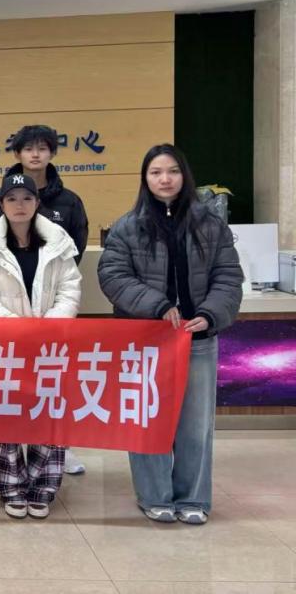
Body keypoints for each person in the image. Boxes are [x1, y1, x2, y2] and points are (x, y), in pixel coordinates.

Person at [98, 144, 242, 525]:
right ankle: (154, 496)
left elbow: (228, 276)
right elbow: (112, 276)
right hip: (146, 341)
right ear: (145, 179)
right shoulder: (128, 226)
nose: (165, 179)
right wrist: (158, 306)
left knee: (196, 425)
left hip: (197, 340)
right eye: (156, 172)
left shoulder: (211, 225)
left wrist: (210, 314)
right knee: (148, 419)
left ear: (184, 176)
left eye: (173, 171)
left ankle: (193, 498)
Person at [0, 173, 82, 519]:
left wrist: (48, 327)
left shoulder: (57, 240)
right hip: (6, 344)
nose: (20, 205)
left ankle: (43, 486)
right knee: (9, 413)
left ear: (37, 203)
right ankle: (10, 486)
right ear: (1, 204)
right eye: (12, 199)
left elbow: (70, 288)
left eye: (27, 198)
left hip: (49, 345)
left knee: (47, 412)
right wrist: (16, 328)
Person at [0, 124, 90, 476]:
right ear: (17, 153)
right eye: (28, 148)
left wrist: (53, 305)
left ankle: (56, 451)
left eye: (42, 148)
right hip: (8, 315)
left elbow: (74, 255)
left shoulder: (69, 201)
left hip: (51, 311)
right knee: (11, 390)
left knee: (51, 385)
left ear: (51, 153)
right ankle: (10, 466)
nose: (35, 154)